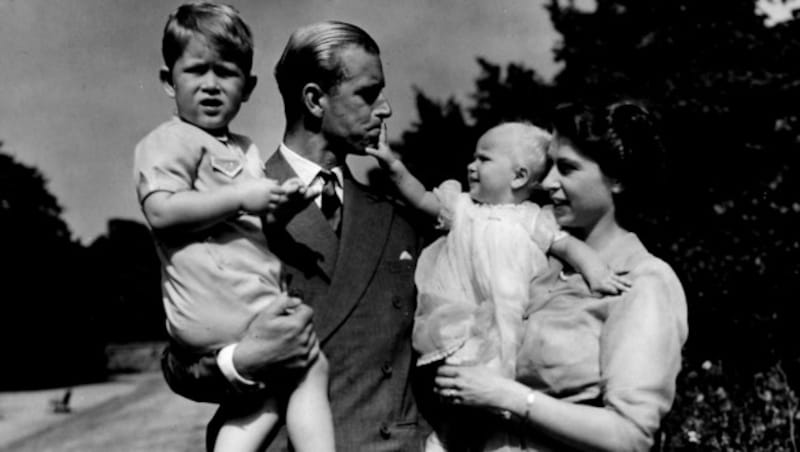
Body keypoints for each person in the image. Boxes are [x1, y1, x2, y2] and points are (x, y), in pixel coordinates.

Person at [159, 20, 431, 451]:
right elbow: (179, 361)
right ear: (314, 100)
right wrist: (241, 362)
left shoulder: (398, 219)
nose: (386, 109)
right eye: (367, 93)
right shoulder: (225, 206)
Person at [431, 101, 688, 451]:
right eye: (549, 165)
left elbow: (630, 436)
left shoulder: (643, 281)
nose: (547, 182)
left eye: (566, 168)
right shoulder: (535, 259)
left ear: (618, 180)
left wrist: (508, 396)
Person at [133, 4, 333, 451]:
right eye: (196, 71)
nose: (210, 85)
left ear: (248, 88)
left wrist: (278, 207)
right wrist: (243, 197)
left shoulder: (244, 149)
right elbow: (162, 212)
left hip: (239, 303)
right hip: (218, 305)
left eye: (225, 73)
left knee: (265, 394)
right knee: (309, 366)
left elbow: (253, 223)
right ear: (169, 82)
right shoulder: (168, 141)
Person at [367, 121, 630, 451]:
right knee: (460, 390)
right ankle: (445, 439)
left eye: (483, 159)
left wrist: (595, 269)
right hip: (463, 321)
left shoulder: (534, 218)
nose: (470, 165)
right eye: (473, 158)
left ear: (518, 176)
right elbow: (421, 198)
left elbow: (568, 247)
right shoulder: (462, 208)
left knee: (499, 393)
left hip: (511, 321)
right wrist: (392, 165)